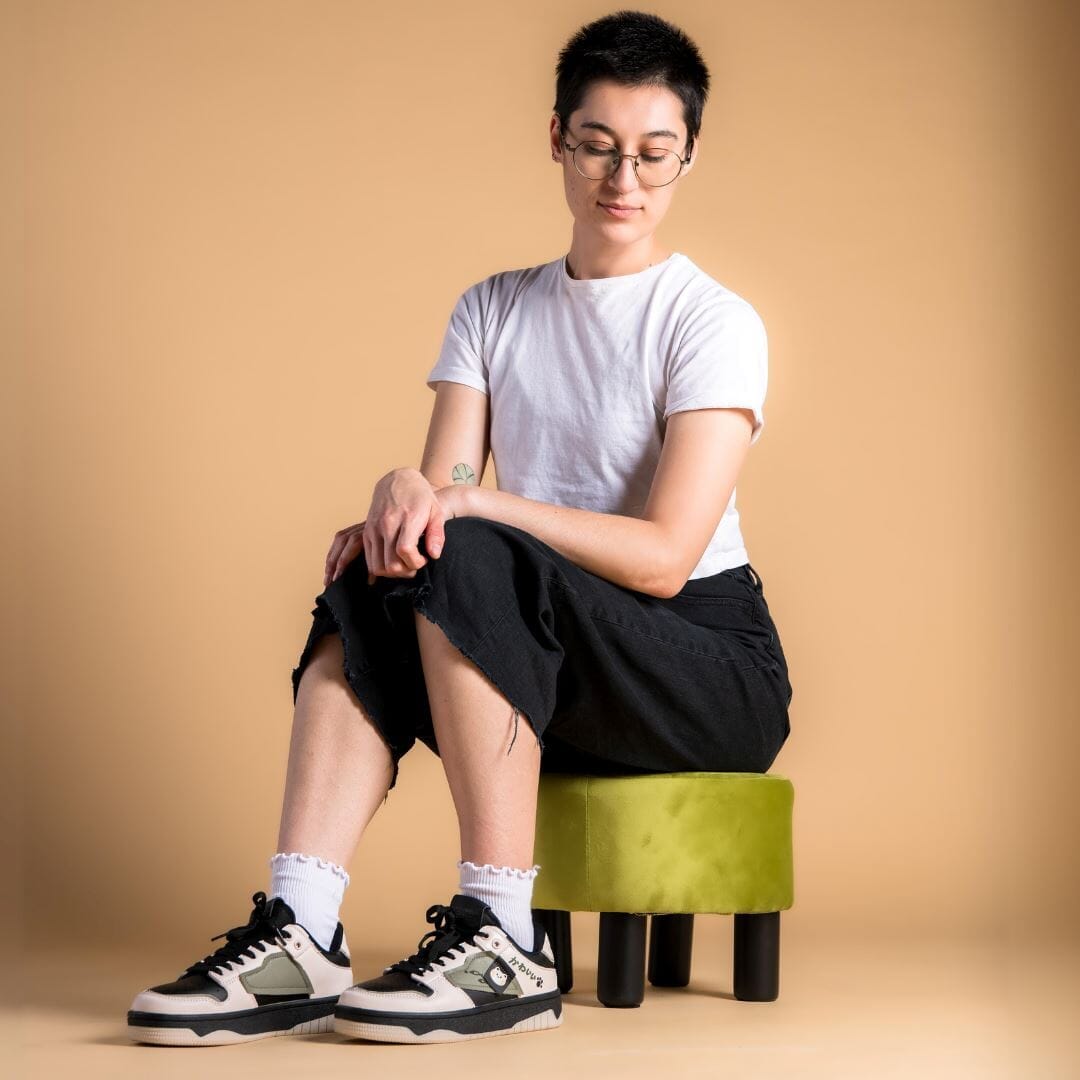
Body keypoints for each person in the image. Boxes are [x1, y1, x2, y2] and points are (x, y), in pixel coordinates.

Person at [126, 9, 793, 1047]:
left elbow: (665, 558)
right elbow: (441, 504)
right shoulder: (494, 309)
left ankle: (504, 937)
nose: (624, 179)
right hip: (559, 650)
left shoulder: (711, 321)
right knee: (383, 567)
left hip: (705, 669)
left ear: (687, 156)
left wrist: (470, 503)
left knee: (467, 542)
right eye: (598, 146)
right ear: (558, 139)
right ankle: (301, 928)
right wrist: (403, 494)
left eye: (654, 154)